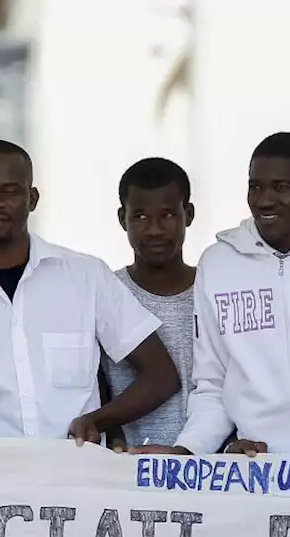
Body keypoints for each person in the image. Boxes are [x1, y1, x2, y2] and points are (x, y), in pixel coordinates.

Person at [0, 140, 178, 442]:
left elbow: (161, 376)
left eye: (9, 191)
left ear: (32, 198)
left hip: (78, 477)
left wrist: (97, 420)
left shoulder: (86, 276)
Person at [158, 132, 290, 456]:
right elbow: (212, 384)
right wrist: (189, 449)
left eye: (280, 187)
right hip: (258, 467)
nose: (263, 200)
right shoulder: (218, 264)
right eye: (255, 186)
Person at [101, 158, 196, 447]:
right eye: (140, 216)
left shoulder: (214, 288)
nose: (154, 230)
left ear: (188, 214)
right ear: (122, 218)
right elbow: (94, 380)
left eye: (167, 215)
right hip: (130, 471)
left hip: (210, 467)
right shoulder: (106, 291)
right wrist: (112, 435)